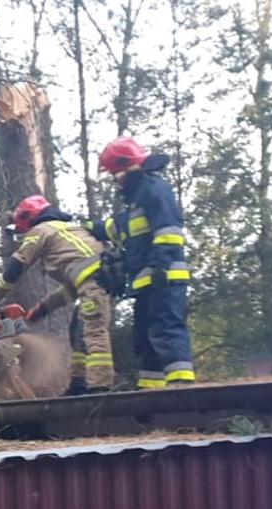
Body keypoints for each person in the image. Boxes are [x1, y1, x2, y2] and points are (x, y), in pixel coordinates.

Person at [90, 136, 195, 388]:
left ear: (127, 168)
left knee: (166, 329)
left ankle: (181, 388)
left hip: (165, 278)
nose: (115, 181)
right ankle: (151, 393)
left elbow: (168, 231)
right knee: (145, 338)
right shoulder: (135, 204)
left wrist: (161, 267)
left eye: (115, 174)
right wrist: (76, 226)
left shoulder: (155, 190)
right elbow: (111, 228)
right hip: (146, 283)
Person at [0, 194, 114, 392]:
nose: (23, 235)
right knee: (78, 331)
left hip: (96, 283)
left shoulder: (41, 230)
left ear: (28, 219)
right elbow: (72, 288)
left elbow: (16, 267)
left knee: (93, 331)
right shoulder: (68, 231)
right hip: (100, 282)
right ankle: (78, 383)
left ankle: (99, 387)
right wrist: (42, 308)